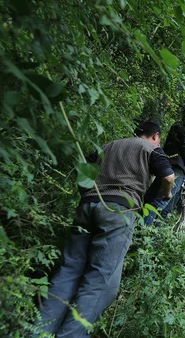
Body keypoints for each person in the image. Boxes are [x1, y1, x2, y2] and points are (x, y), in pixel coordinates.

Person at [37, 121, 174, 337]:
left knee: (68, 272)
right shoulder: (152, 149)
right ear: (156, 136)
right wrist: (166, 193)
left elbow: (82, 170)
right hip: (119, 211)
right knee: (101, 282)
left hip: (87, 206)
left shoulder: (109, 145)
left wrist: (86, 195)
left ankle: (38, 332)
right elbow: (168, 176)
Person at [144, 108, 185, 225]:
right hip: (176, 169)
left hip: (167, 166)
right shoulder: (184, 130)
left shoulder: (176, 127)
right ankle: (143, 233)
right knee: (160, 201)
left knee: (156, 200)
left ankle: (146, 231)